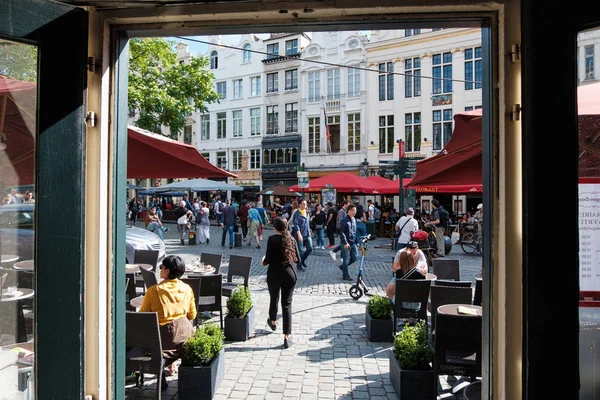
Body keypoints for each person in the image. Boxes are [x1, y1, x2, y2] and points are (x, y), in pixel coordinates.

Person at [140, 255, 196, 377]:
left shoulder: (153, 291)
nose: (160, 269)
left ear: (167, 271)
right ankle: (171, 364)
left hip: (161, 344)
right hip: (184, 341)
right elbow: (192, 315)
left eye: (162, 267)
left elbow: (142, 318)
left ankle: (160, 370)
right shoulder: (187, 289)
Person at [261, 217, 299, 349]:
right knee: (287, 304)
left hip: (274, 274)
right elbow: (297, 259)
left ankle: (272, 321)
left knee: (274, 298)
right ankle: (287, 336)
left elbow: (268, 258)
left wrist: (263, 261)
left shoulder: (272, 239)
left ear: (275, 228)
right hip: (288, 274)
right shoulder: (292, 239)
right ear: (286, 227)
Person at [338, 204, 359, 281]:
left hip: (353, 242)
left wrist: (357, 242)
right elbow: (342, 233)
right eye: (353, 210)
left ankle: (343, 267)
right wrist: (345, 242)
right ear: (348, 211)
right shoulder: (344, 220)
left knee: (355, 257)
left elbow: (355, 232)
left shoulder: (354, 220)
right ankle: (345, 275)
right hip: (345, 243)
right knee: (346, 260)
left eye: (355, 211)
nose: (354, 212)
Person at [292, 199, 313, 270]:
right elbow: (296, 225)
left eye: (306, 204)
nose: (305, 205)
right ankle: (299, 265)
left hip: (307, 234)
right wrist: (299, 234)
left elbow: (308, 223)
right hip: (300, 235)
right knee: (300, 250)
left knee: (310, 249)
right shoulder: (297, 213)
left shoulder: (307, 213)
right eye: (304, 204)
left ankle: (302, 260)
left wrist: (309, 230)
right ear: (299, 205)